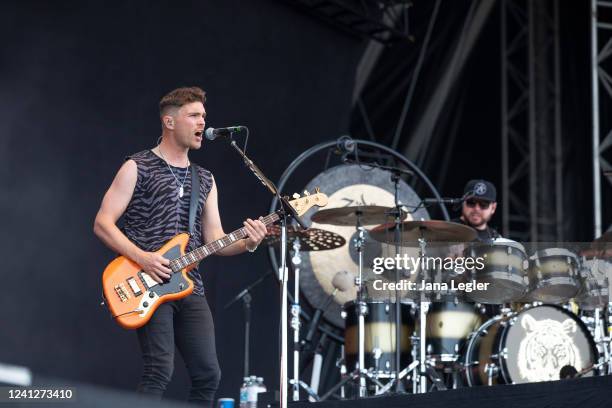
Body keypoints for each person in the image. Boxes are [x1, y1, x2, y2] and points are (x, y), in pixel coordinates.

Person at [93, 86, 268, 406]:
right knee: (159, 368)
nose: (203, 122)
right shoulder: (137, 166)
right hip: (146, 281)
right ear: (169, 122)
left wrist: (249, 243)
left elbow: (215, 241)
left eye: (204, 116)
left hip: (190, 286)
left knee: (208, 374)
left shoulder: (206, 179)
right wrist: (143, 258)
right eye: (194, 115)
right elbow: (103, 223)